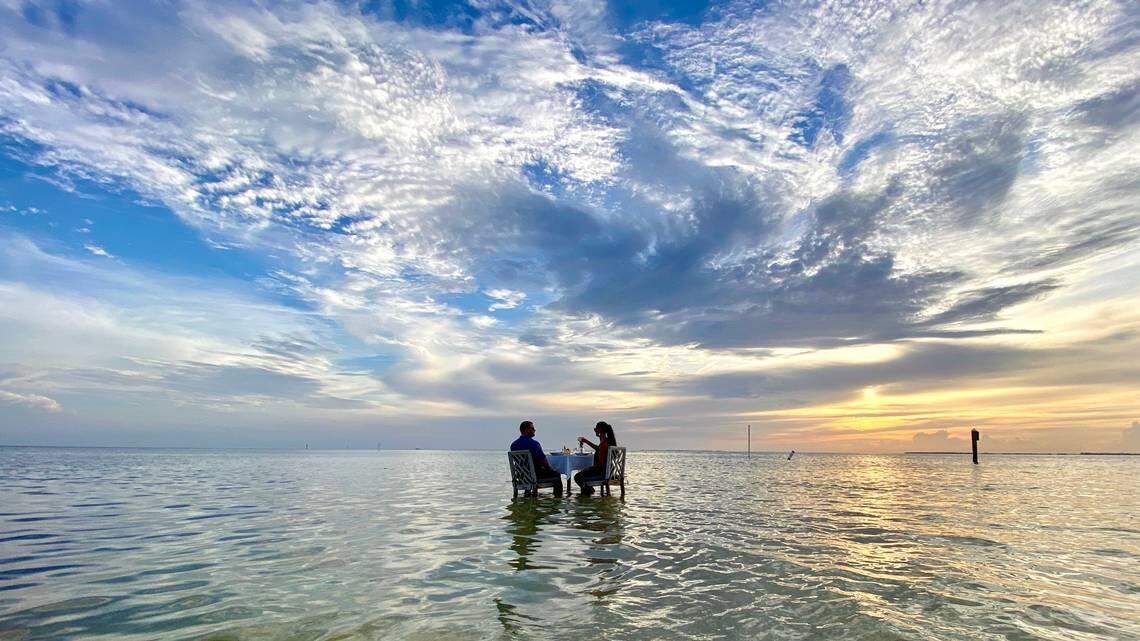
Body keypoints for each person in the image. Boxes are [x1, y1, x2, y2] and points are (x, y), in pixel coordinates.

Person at [510, 420, 562, 496]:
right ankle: (556, 504)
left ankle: (527, 495)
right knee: (556, 475)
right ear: (527, 430)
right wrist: (551, 470)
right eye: (532, 428)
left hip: (522, 477)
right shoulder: (534, 444)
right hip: (535, 476)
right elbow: (544, 463)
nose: (534, 430)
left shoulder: (513, 445)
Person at [574, 421, 616, 496]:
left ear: (600, 430)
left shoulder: (604, 444)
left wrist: (588, 469)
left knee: (577, 477)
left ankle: (587, 494)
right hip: (608, 471)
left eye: (595, 428)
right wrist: (586, 441)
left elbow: (600, 464)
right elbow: (598, 448)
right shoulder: (606, 440)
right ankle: (589, 490)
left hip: (601, 472)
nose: (595, 430)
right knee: (583, 473)